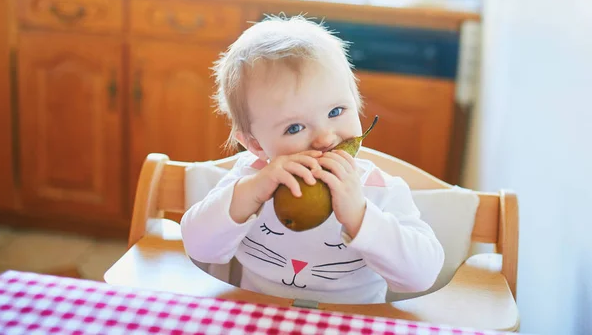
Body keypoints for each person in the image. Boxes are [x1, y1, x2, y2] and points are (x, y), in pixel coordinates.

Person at [181, 15, 444, 304]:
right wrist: (251, 193)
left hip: (351, 324)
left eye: (336, 111)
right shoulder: (250, 180)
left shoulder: (379, 189)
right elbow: (199, 247)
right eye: (294, 127)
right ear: (255, 145)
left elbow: (421, 276)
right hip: (262, 319)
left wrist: (359, 216)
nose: (324, 138)